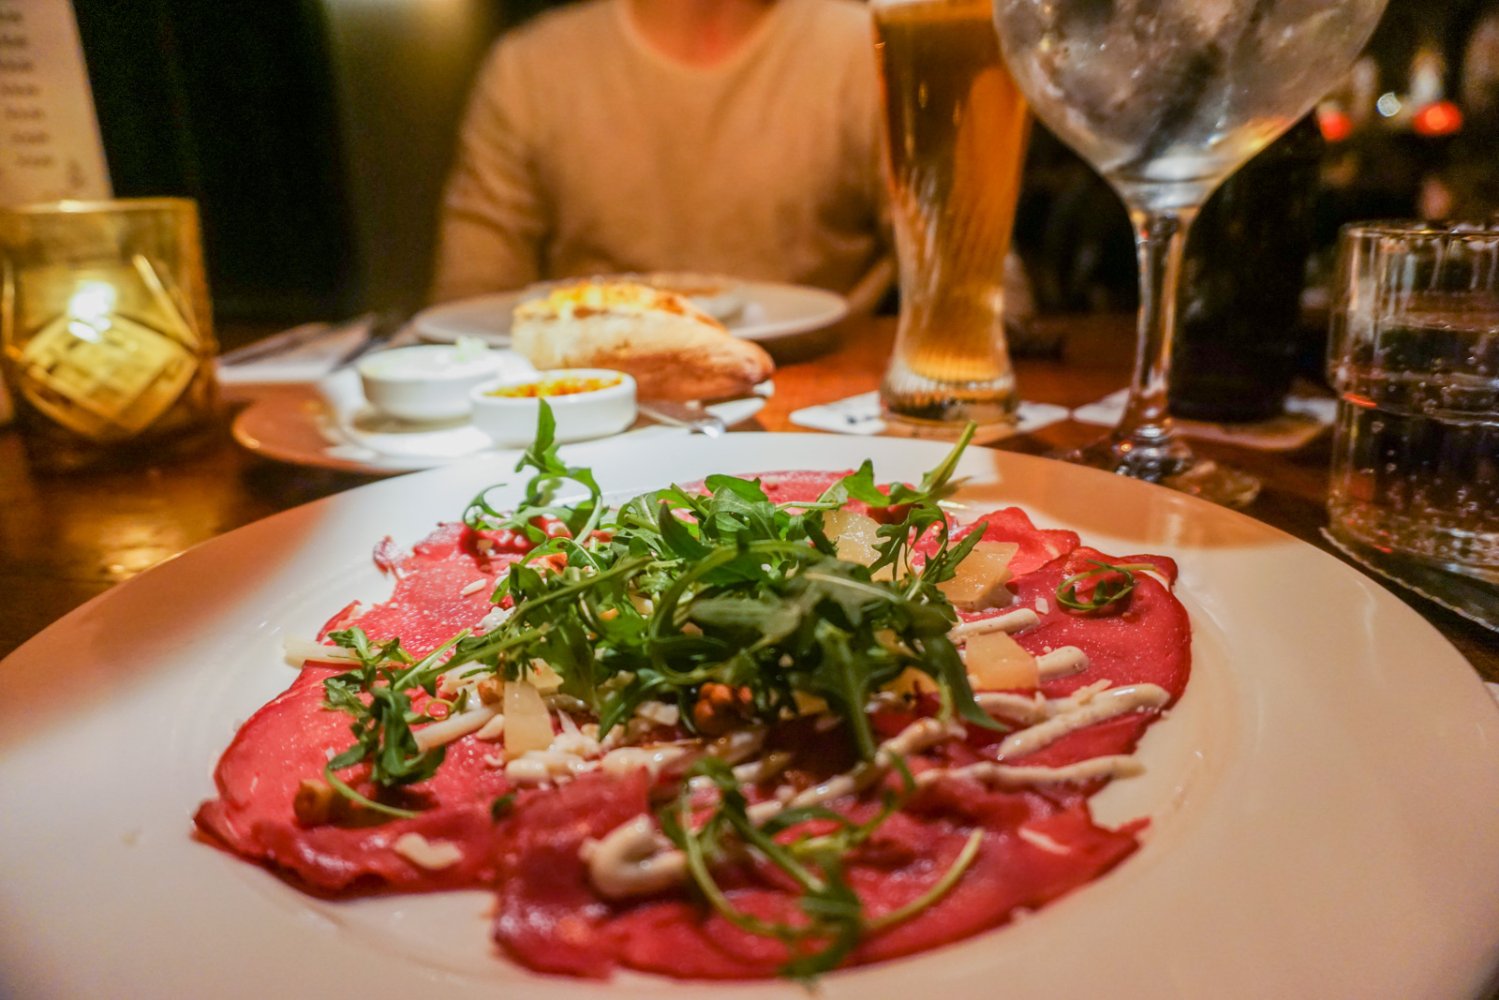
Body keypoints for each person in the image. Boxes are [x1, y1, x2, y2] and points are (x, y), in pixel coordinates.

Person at [430, 0, 893, 313]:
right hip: (599, 403)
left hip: (824, 402)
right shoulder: (528, 70)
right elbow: (470, 308)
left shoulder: (866, 47)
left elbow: (934, 274)